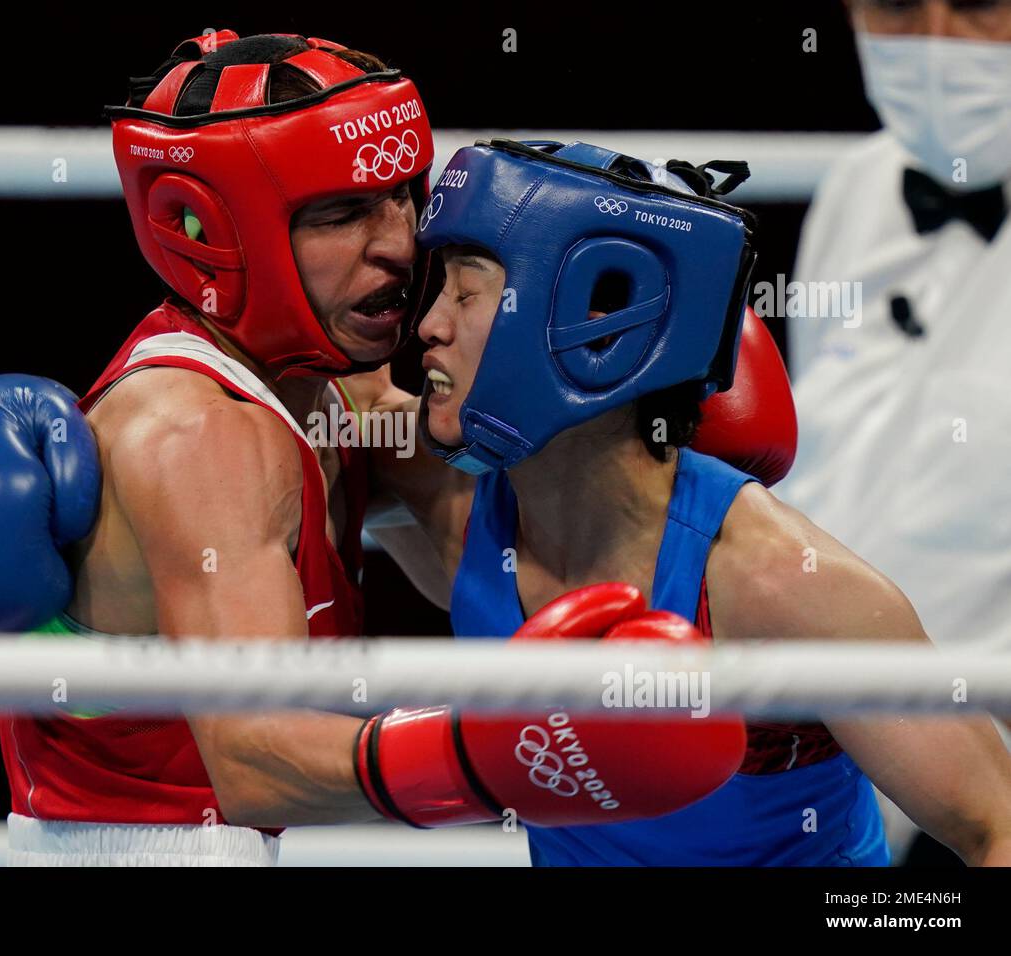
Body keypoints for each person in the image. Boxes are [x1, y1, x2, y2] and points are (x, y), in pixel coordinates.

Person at [0, 32, 742, 866]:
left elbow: (490, 571)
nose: (400, 245)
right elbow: (255, 765)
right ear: (214, 228)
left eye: (403, 194)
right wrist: (480, 759)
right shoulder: (199, 433)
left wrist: (628, 400)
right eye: (342, 213)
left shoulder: (335, 397)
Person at [352, 138, 1011, 865]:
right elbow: (331, 388)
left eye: (467, 293)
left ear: (591, 323)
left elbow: (996, 828)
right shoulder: (455, 505)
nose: (429, 327)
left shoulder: (781, 584)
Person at [779, 0, 1011, 861]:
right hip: (827, 766)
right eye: (900, 6)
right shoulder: (862, 185)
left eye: (983, 5)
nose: (938, 46)